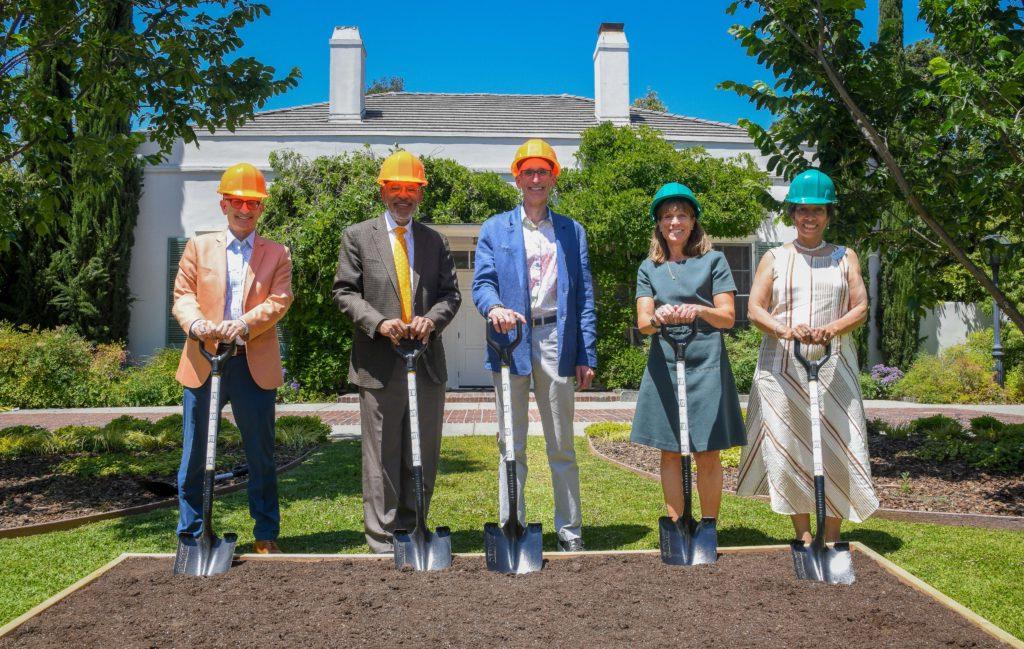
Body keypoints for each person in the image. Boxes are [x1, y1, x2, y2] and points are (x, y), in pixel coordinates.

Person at [736, 168, 878, 544]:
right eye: (801, 210)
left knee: (839, 446)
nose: (809, 217)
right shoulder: (775, 258)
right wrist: (786, 330)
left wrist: (832, 329)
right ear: (792, 214)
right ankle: (801, 533)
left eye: (817, 210)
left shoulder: (845, 257)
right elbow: (754, 309)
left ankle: (831, 535)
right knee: (789, 446)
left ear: (829, 214)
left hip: (834, 366)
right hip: (782, 368)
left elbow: (860, 307)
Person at [333, 150, 461, 553]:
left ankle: (414, 526)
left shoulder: (434, 241)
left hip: (425, 363)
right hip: (378, 363)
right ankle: (383, 536)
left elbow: (450, 295)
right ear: (383, 191)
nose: (403, 196)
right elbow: (345, 291)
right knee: (382, 455)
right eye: (395, 188)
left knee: (421, 451)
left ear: (420, 193)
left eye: (410, 189)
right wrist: (380, 323)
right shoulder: (358, 236)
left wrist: (432, 320)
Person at [472, 138, 597, 552]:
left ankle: (570, 530)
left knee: (561, 443)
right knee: (512, 442)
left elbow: (584, 297)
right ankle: (513, 527)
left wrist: (585, 352)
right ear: (518, 178)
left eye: (544, 171)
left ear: (553, 177)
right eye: (529, 172)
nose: (537, 179)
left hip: (557, 341)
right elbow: (483, 283)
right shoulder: (495, 228)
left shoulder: (571, 231)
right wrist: (494, 309)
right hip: (511, 340)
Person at [171, 162, 294, 554]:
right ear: (223, 204)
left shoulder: (277, 254)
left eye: (253, 203)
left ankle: (265, 533)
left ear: (261, 208)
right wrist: (199, 327)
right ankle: (191, 533)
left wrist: (241, 325)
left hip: (251, 363)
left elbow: (279, 301)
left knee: (260, 454)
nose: (245, 209)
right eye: (238, 201)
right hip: (204, 359)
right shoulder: (198, 246)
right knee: (194, 454)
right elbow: (183, 296)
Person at [630, 182, 746, 526]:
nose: (674, 222)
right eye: (667, 216)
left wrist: (698, 310)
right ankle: (677, 524)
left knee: (707, 450)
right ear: (659, 223)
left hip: (706, 362)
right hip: (665, 363)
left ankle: (708, 525)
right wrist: (658, 317)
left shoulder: (714, 261)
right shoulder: (648, 268)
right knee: (669, 448)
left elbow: (727, 317)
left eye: (682, 215)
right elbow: (643, 323)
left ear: (693, 221)